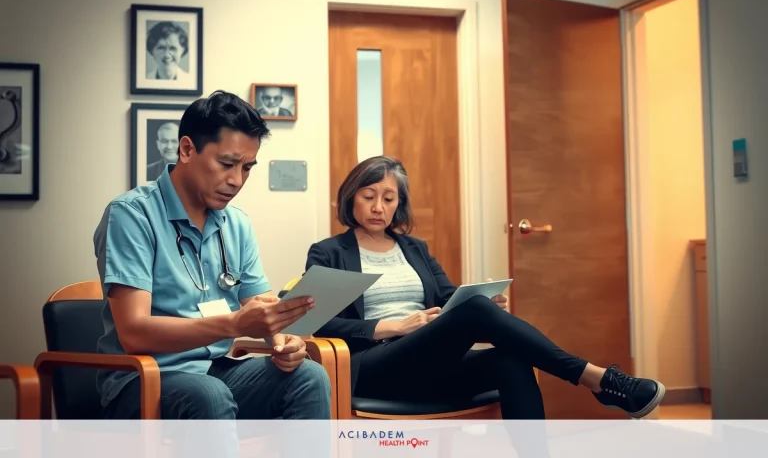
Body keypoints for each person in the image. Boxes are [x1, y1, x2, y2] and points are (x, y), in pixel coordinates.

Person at [306, 155, 666, 421]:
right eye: (369, 196)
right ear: (351, 197)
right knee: (477, 312)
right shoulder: (329, 252)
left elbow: (449, 300)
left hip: (428, 362)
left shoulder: (415, 249)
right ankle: (597, 379)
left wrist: (483, 302)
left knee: (509, 356)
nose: (378, 207)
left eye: (388, 198)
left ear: (399, 204)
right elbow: (316, 323)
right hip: (373, 367)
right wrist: (391, 327)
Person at [93, 90, 331, 422]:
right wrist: (233, 324)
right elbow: (134, 334)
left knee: (309, 376)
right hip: (143, 377)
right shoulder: (132, 215)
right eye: (226, 164)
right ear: (187, 149)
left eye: (247, 168)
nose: (236, 180)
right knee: (209, 394)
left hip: (214, 370)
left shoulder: (236, 223)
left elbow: (260, 305)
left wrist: (284, 341)